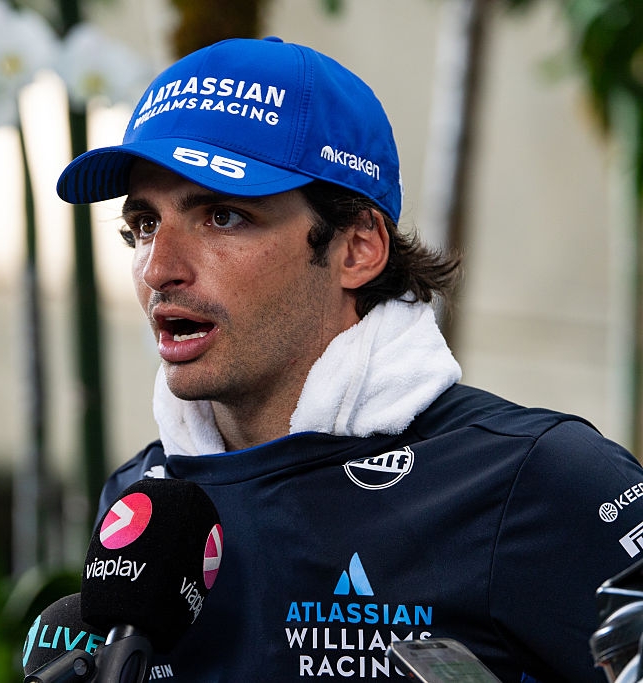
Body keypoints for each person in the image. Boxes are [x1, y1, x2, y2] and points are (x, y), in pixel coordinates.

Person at [56, 36, 643, 682]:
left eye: (222, 216)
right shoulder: (142, 502)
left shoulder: (543, 480)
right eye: (143, 225)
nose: (158, 269)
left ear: (358, 248)